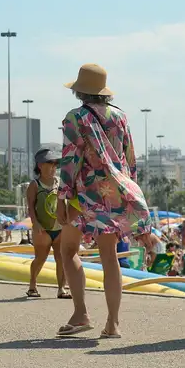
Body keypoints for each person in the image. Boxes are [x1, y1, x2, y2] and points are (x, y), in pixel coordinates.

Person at [55, 63, 151, 338]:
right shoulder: (120, 116)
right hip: (115, 193)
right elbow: (129, 158)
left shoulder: (76, 118)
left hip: (84, 194)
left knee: (69, 250)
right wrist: (129, 189)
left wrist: (63, 196)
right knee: (109, 257)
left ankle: (80, 313)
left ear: (80, 91)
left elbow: (70, 159)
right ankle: (113, 323)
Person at [25, 148, 68, 299]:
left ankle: (61, 288)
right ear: (40, 165)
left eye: (55, 164)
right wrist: (35, 223)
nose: (53, 168)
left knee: (61, 257)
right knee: (40, 258)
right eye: (49, 164)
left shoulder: (59, 183)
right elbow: (30, 206)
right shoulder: (35, 185)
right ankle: (32, 285)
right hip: (42, 228)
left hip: (60, 227)